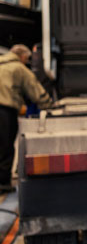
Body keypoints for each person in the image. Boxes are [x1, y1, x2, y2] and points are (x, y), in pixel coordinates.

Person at [0, 45, 53, 192]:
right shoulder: (18, 68)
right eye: (27, 58)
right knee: (5, 146)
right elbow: (34, 89)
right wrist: (48, 105)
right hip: (4, 110)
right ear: (22, 56)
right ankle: (3, 183)